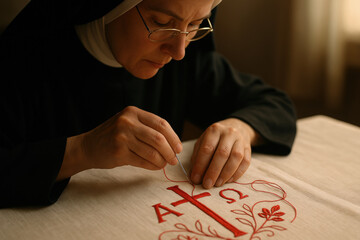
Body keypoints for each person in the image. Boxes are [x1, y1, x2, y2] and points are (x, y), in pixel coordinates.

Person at [0, 0, 296, 208]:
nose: (178, 50)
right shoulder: (21, 63)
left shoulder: (185, 60)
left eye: (194, 24)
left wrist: (241, 129)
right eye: (162, 22)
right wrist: (82, 150)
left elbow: (274, 104)